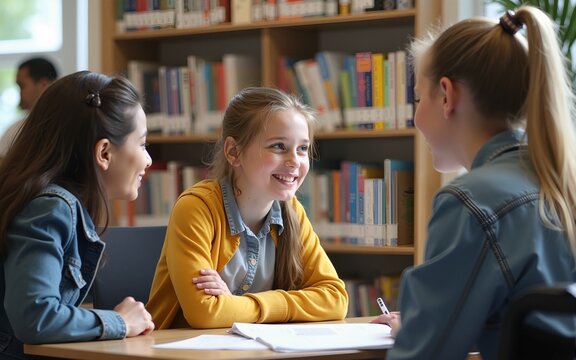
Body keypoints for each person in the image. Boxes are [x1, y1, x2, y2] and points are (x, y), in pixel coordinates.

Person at [372, 6, 576, 360]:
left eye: (419, 97)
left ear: (447, 96)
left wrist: (419, 335)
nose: (416, 114)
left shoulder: (471, 202)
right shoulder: (560, 181)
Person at [146, 87, 348, 329]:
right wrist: (286, 304)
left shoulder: (292, 211)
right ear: (234, 152)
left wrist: (234, 304)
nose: (295, 161)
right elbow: (205, 313)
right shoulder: (196, 208)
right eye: (278, 146)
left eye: (302, 148)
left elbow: (336, 300)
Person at [0, 71, 155, 359]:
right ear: (104, 153)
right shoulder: (50, 209)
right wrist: (120, 322)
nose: (148, 160)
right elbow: (35, 316)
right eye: (143, 144)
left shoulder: (55, 204)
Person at [0, 57, 59, 159]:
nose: (19, 93)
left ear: (43, 84)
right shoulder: (15, 130)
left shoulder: (65, 126)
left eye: (22, 86)